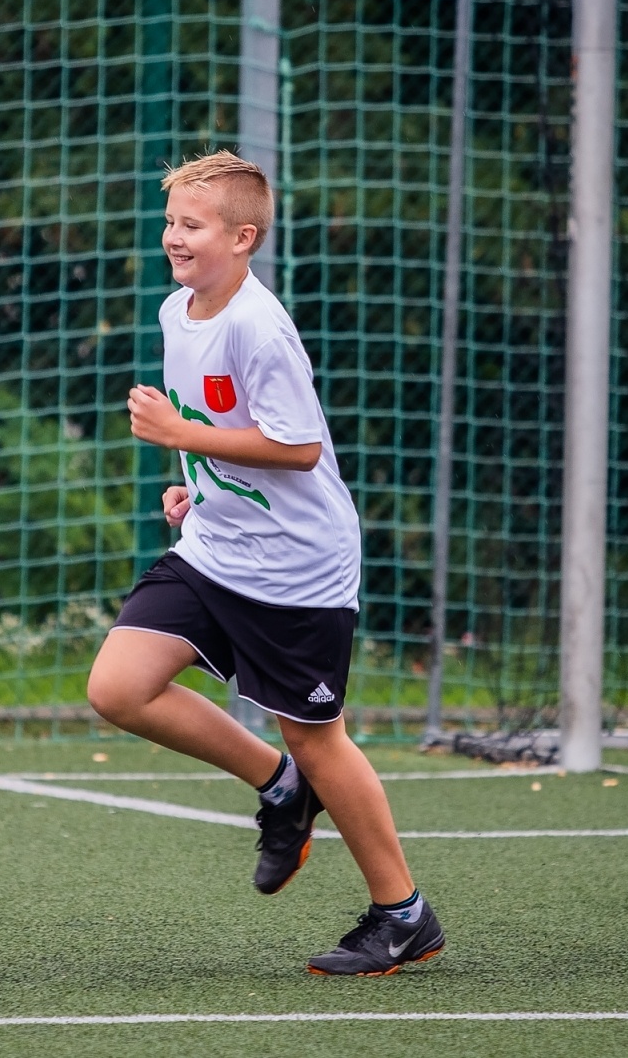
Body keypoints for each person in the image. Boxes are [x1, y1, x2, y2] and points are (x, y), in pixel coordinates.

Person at [86, 150, 444, 976]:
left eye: (193, 225)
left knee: (318, 739)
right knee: (119, 686)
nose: (174, 237)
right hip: (216, 547)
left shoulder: (259, 325)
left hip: (296, 569)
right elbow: (217, 427)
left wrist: (182, 437)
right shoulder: (177, 311)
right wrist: (194, 482)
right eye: (171, 221)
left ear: (243, 238)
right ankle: (280, 786)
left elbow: (297, 445)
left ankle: (404, 915)